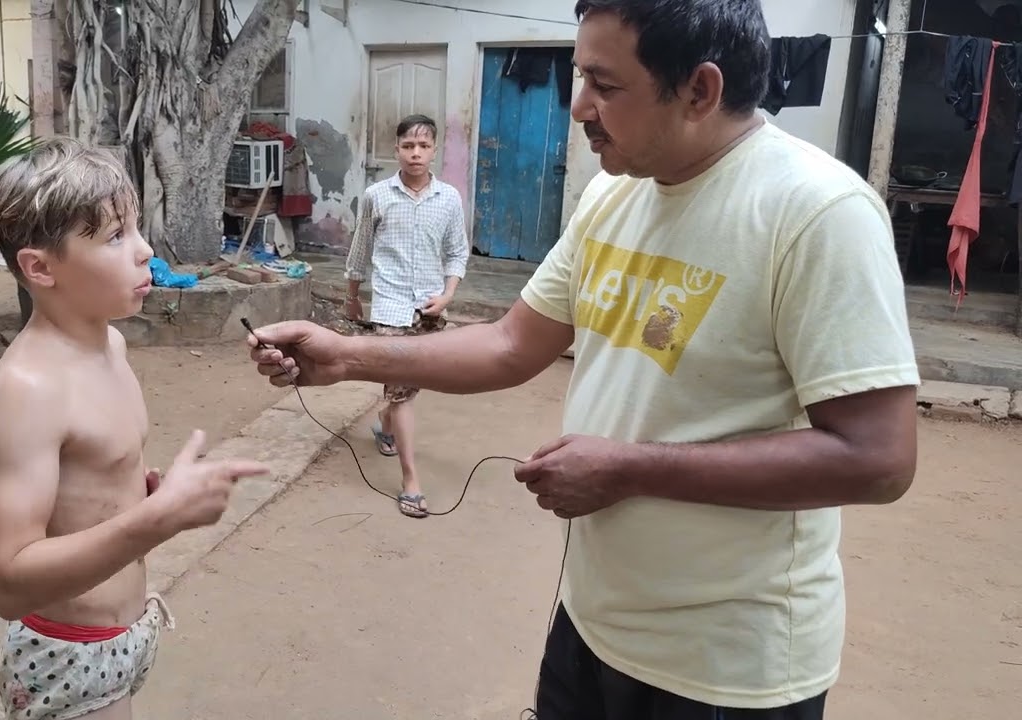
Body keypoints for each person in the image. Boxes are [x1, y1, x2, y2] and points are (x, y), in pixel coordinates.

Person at [247, 1, 919, 718]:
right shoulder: (611, 195)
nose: (578, 107)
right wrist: (348, 358)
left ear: (700, 90)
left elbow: (876, 458)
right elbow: (511, 344)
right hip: (592, 625)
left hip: (729, 669)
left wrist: (627, 468)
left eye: (605, 84)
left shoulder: (816, 213)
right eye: (579, 76)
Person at [0, 137, 269, 720]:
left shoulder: (110, 343)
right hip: (68, 655)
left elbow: (95, 489)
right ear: (39, 267)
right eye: (114, 237)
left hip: (128, 635)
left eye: (134, 229)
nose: (145, 251)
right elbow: (6, 583)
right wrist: (155, 520)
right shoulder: (25, 392)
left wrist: (146, 500)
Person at [343, 113, 469, 518]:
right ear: (396, 150)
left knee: (407, 389)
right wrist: (351, 297)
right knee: (404, 392)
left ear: (434, 150)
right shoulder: (377, 196)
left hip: (429, 308)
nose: (416, 154)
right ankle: (411, 482)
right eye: (408, 146)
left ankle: (385, 417)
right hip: (390, 306)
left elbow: (456, 252)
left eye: (424, 146)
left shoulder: (448, 199)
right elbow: (360, 250)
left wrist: (447, 296)